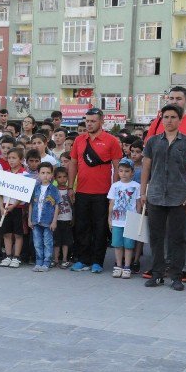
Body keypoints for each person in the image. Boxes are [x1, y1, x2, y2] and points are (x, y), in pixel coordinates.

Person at [144, 87, 186, 282]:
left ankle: (177, 274)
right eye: (166, 117)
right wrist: (142, 193)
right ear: (161, 118)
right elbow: (146, 168)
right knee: (156, 236)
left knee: (179, 237)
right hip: (155, 194)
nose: (169, 120)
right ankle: (157, 273)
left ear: (180, 119)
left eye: (173, 117)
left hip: (180, 195)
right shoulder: (153, 141)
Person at [68, 108, 123, 273]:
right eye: (87, 120)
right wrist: (71, 187)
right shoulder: (79, 140)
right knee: (81, 226)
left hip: (103, 192)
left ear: (101, 122)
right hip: (82, 191)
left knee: (100, 228)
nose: (89, 124)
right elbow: (73, 164)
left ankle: (97, 261)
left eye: (93, 121)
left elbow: (117, 167)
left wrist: (114, 191)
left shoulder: (111, 140)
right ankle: (82, 259)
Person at [107, 158, 141, 279]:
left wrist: (138, 219)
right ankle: (118, 265)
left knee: (129, 245)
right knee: (117, 244)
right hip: (117, 220)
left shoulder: (137, 186)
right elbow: (112, 202)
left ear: (132, 172)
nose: (123, 173)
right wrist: (109, 218)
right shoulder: (115, 186)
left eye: (127, 171)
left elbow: (138, 204)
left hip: (131, 219)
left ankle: (127, 266)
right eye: (121, 171)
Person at [28, 162, 61, 272]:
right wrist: (29, 219)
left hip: (48, 221)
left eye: (48, 173)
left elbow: (57, 205)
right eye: (42, 173)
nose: (45, 175)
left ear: (52, 175)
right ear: (38, 174)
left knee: (47, 242)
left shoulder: (54, 189)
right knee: (37, 242)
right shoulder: (35, 189)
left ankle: (46, 262)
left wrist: (54, 221)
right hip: (35, 220)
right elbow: (31, 204)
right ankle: (38, 261)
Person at [0, 148, 26, 268]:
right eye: (9, 158)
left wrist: (13, 206)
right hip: (5, 207)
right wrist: (1, 207)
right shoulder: (4, 174)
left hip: (18, 208)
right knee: (6, 233)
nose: (11, 160)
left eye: (14, 158)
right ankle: (8, 255)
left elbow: (24, 194)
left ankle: (16, 257)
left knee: (18, 233)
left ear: (21, 159)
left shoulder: (24, 174)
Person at [53, 166, 73, 269]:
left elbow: (73, 205)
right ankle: (56, 259)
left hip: (67, 218)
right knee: (56, 241)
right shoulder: (54, 190)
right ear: (55, 178)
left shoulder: (70, 191)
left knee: (66, 241)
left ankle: (65, 259)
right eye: (59, 177)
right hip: (57, 219)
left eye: (65, 177)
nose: (62, 179)